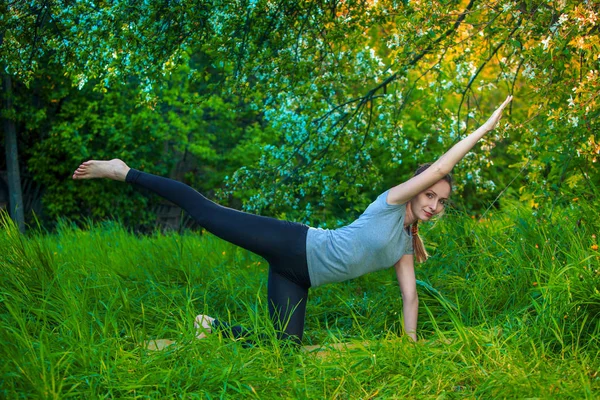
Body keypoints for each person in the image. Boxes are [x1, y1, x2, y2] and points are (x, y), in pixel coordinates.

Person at [73, 95, 513, 346]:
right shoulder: (390, 203)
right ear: (417, 190)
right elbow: (438, 167)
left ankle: (211, 328)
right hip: (293, 244)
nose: (434, 203)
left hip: (298, 276)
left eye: (441, 202)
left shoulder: (403, 245)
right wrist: (483, 130)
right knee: (206, 212)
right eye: (431, 195)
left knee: (286, 347)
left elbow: (410, 299)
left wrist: (411, 345)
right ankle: (123, 170)